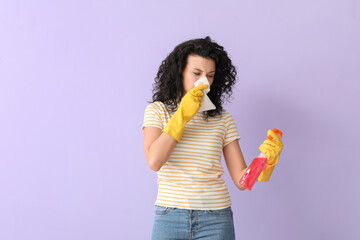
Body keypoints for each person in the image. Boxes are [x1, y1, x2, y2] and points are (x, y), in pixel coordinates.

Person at [142, 36, 283, 240]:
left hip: (216, 217)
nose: (204, 81)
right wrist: (182, 115)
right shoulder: (158, 111)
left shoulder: (222, 118)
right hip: (169, 216)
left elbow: (242, 181)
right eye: (196, 73)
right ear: (179, 72)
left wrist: (266, 159)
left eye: (210, 75)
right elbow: (154, 161)